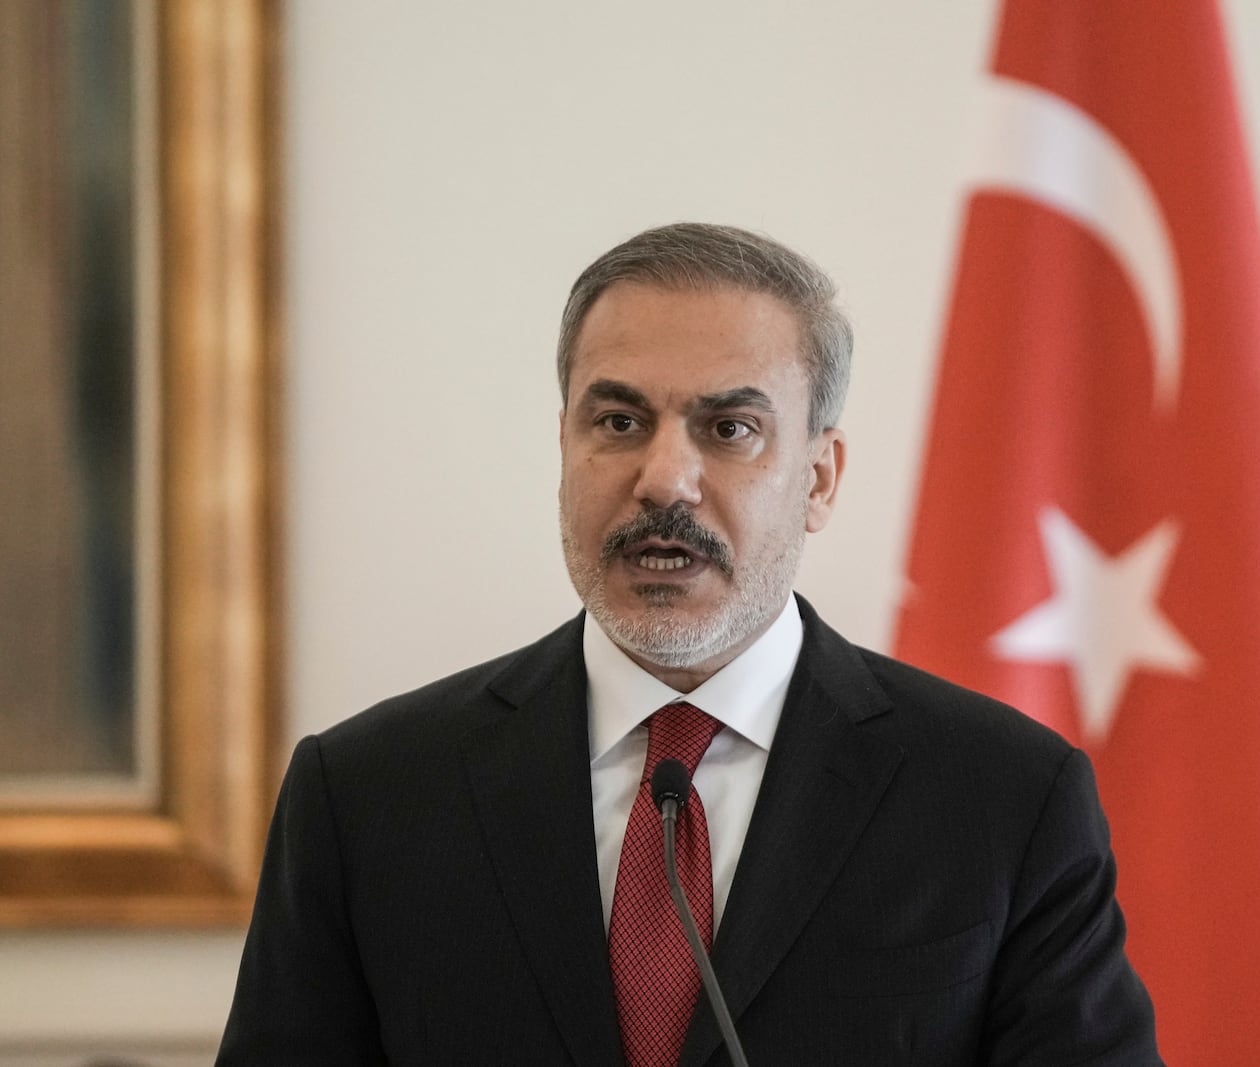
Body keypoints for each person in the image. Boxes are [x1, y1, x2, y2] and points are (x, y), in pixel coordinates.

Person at [218, 223, 1161, 1065]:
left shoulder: (1003, 798)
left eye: (730, 428)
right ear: (565, 447)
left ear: (820, 478)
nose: (665, 479)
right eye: (619, 421)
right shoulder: (368, 794)